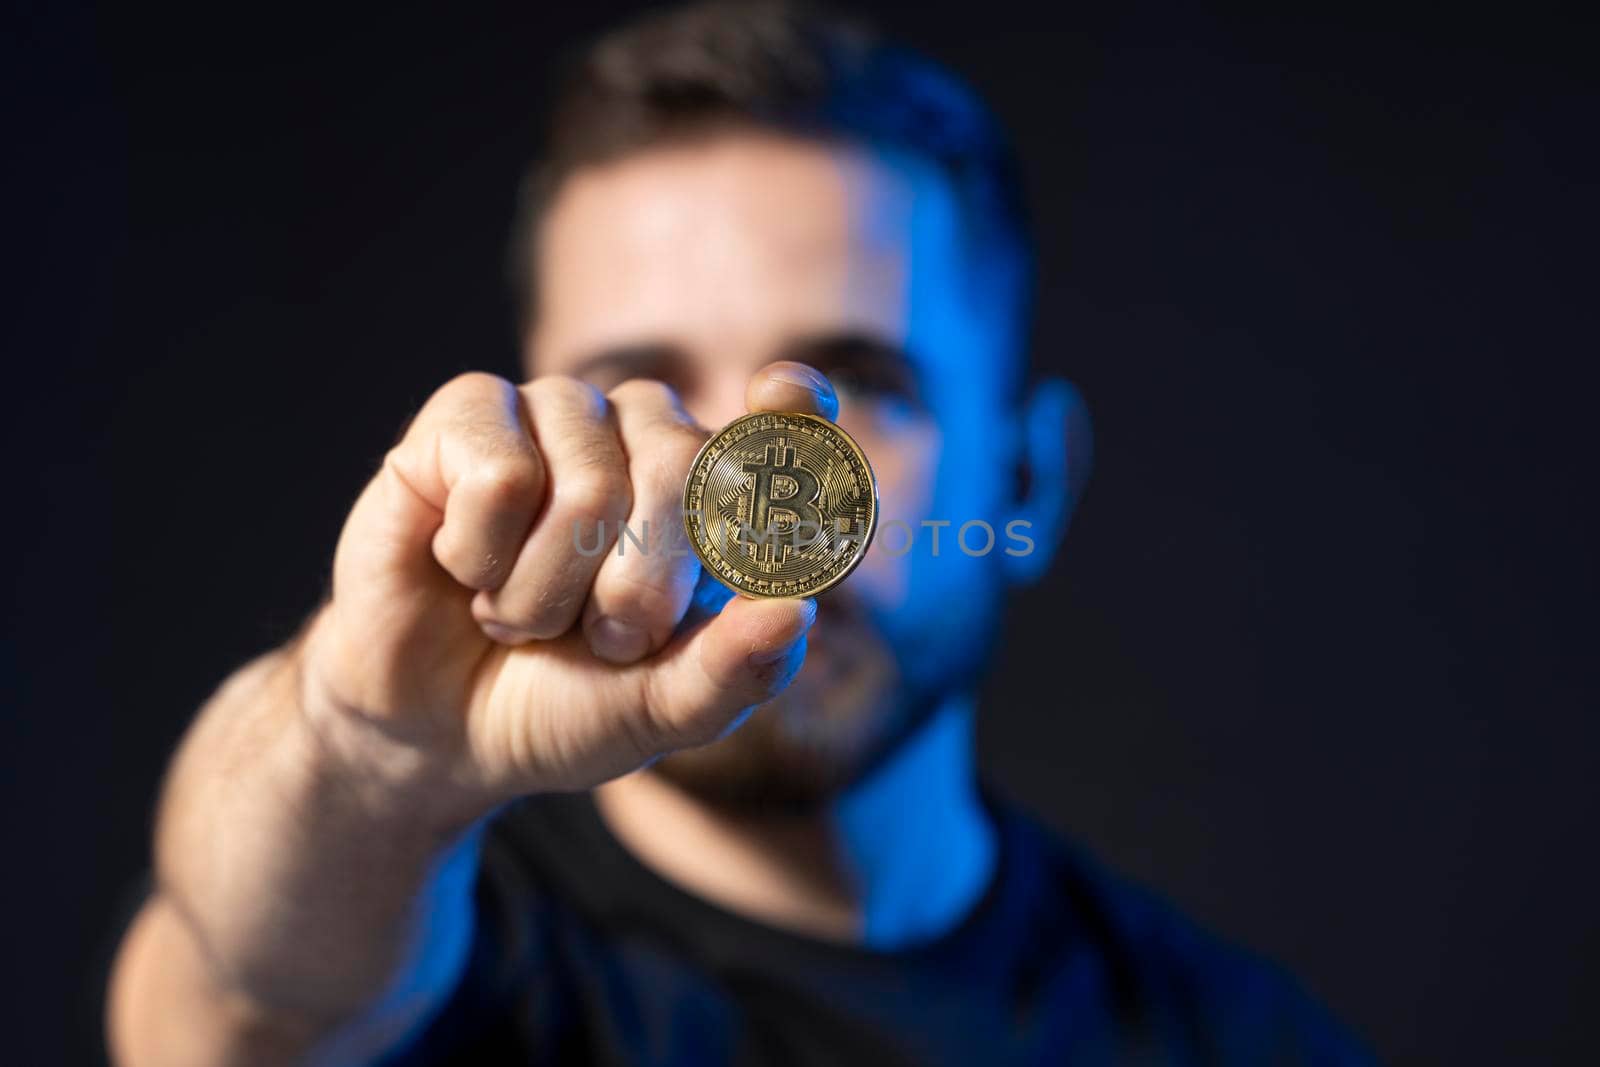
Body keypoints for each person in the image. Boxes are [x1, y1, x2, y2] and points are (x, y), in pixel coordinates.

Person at [106, 2, 1374, 1064]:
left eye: (859, 380)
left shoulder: (1236, 1039)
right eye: (633, 387)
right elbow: (239, 995)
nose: (719, 481)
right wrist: (365, 753)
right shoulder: (408, 929)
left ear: (1026, 483)